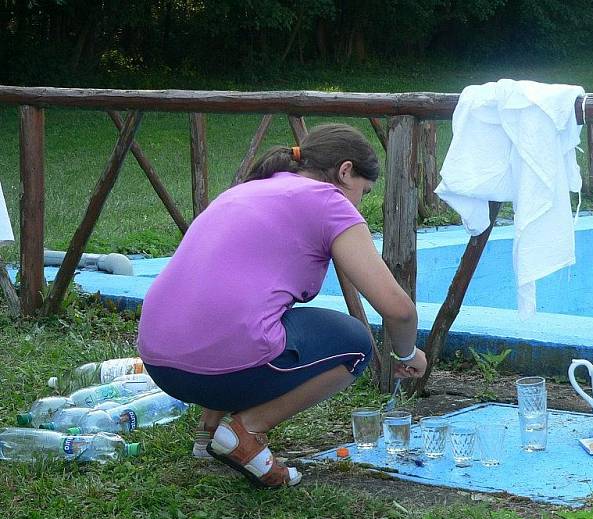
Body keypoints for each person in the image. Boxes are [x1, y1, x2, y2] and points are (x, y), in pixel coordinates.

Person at [137, 123, 427, 488]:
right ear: (345, 171)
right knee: (354, 343)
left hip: (161, 363)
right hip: (220, 367)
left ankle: (209, 430)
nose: (359, 204)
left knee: (252, 311)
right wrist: (406, 354)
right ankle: (247, 431)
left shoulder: (245, 190)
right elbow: (397, 309)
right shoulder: (329, 201)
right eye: (363, 193)